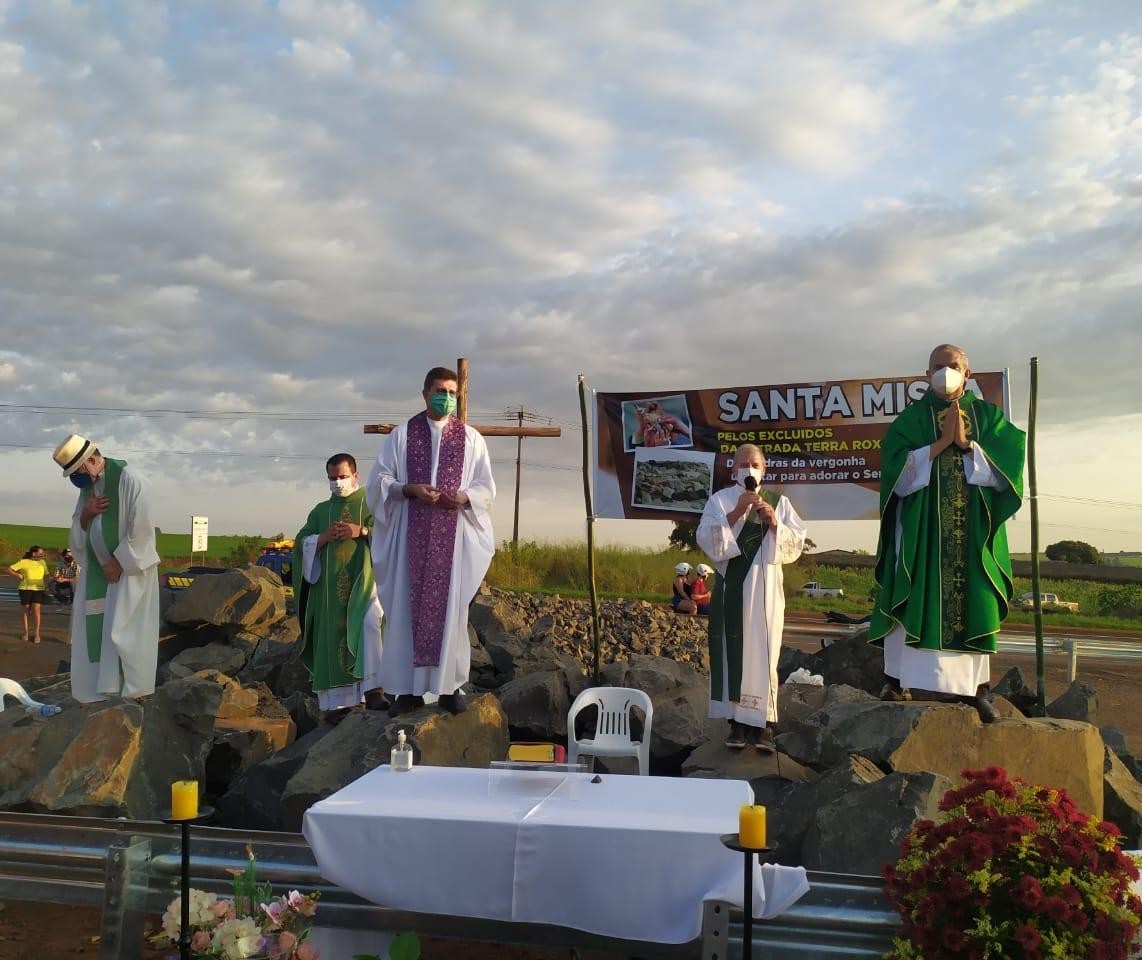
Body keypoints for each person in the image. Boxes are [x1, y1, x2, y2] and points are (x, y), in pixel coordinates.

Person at [869, 344, 1025, 723]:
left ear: (967, 374)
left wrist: (968, 446)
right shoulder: (910, 421)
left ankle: (975, 690)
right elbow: (894, 478)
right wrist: (938, 446)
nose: (945, 372)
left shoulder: (987, 418)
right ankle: (896, 680)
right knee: (911, 585)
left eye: (953, 366)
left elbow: (1011, 469)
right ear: (926, 375)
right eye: (937, 367)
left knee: (974, 594)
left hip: (971, 532)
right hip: (923, 533)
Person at [366, 367, 496, 715]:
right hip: (411, 533)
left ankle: (449, 688)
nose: (447, 397)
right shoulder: (402, 435)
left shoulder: (471, 439)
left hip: (451, 540)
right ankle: (406, 692)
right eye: (440, 390)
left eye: (453, 392)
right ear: (424, 393)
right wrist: (409, 489)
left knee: (451, 612)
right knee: (405, 612)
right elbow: (378, 482)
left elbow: (487, 487)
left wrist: (464, 497)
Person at [698, 444, 806, 751]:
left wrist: (774, 523)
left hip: (767, 590)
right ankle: (737, 726)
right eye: (743, 463)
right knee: (734, 653)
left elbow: (795, 543)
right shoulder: (720, 500)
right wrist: (736, 513)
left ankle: (764, 726)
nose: (749, 468)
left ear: (764, 468)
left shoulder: (779, 502)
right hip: (732, 590)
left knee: (765, 653)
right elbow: (707, 538)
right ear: (733, 470)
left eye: (755, 463)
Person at [51, 434, 161, 703]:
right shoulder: (87, 488)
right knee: (98, 632)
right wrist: (87, 513)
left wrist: (119, 562)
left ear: (91, 459)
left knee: (126, 631)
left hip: (128, 574)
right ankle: (100, 693)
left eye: (77, 470)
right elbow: (78, 531)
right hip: (99, 576)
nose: (76, 478)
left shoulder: (130, 479)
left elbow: (143, 528)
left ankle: (134, 693)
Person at [293, 454, 388, 724]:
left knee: (371, 623)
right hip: (329, 593)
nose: (338, 483)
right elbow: (300, 542)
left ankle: (374, 690)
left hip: (366, 584)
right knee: (333, 638)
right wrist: (321, 538)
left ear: (356, 476)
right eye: (332, 478)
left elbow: (391, 531)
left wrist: (363, 532)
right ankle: (339, 706)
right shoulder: (321, 511)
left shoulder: (371, 502)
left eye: (343, 477)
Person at [4, 545, 49, 643]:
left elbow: (46, 575)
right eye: (40, 553)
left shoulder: (43, 562)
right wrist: (18, 575)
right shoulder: (24, 562)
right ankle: (26, 633)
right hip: (25, 588)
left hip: (38, 589)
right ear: (34, 553)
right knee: (26, 610)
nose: (42, 555)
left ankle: (37, 634)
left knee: (36, 609)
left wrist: (47, 584)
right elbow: (8, 569)